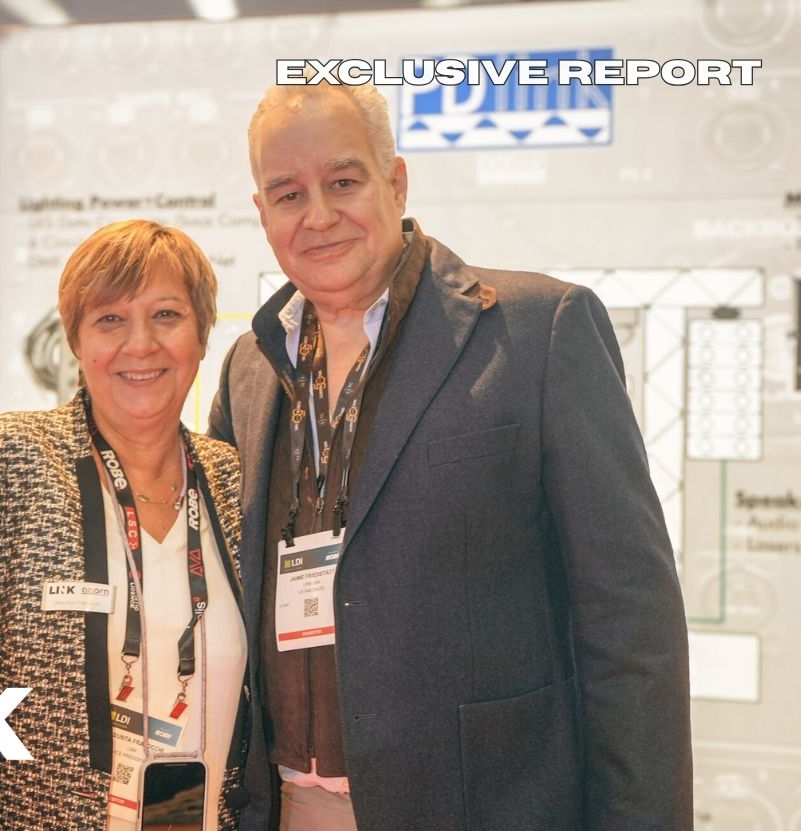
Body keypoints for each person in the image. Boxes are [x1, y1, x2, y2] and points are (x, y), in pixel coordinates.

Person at [207, 81, 693, 830]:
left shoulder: (540, 333)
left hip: (482, 806)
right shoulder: (251, 365)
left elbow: (631, 621)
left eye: (344, 181)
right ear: (262, 211)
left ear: (396, 182)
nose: (319, 215)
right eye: (288, 194)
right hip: (283, 806)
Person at [0, 219, 250, 830]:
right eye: (110, 319)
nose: (140, 344)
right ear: (76, 341)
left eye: (166, 315)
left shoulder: (236, 481)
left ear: (202, 333)